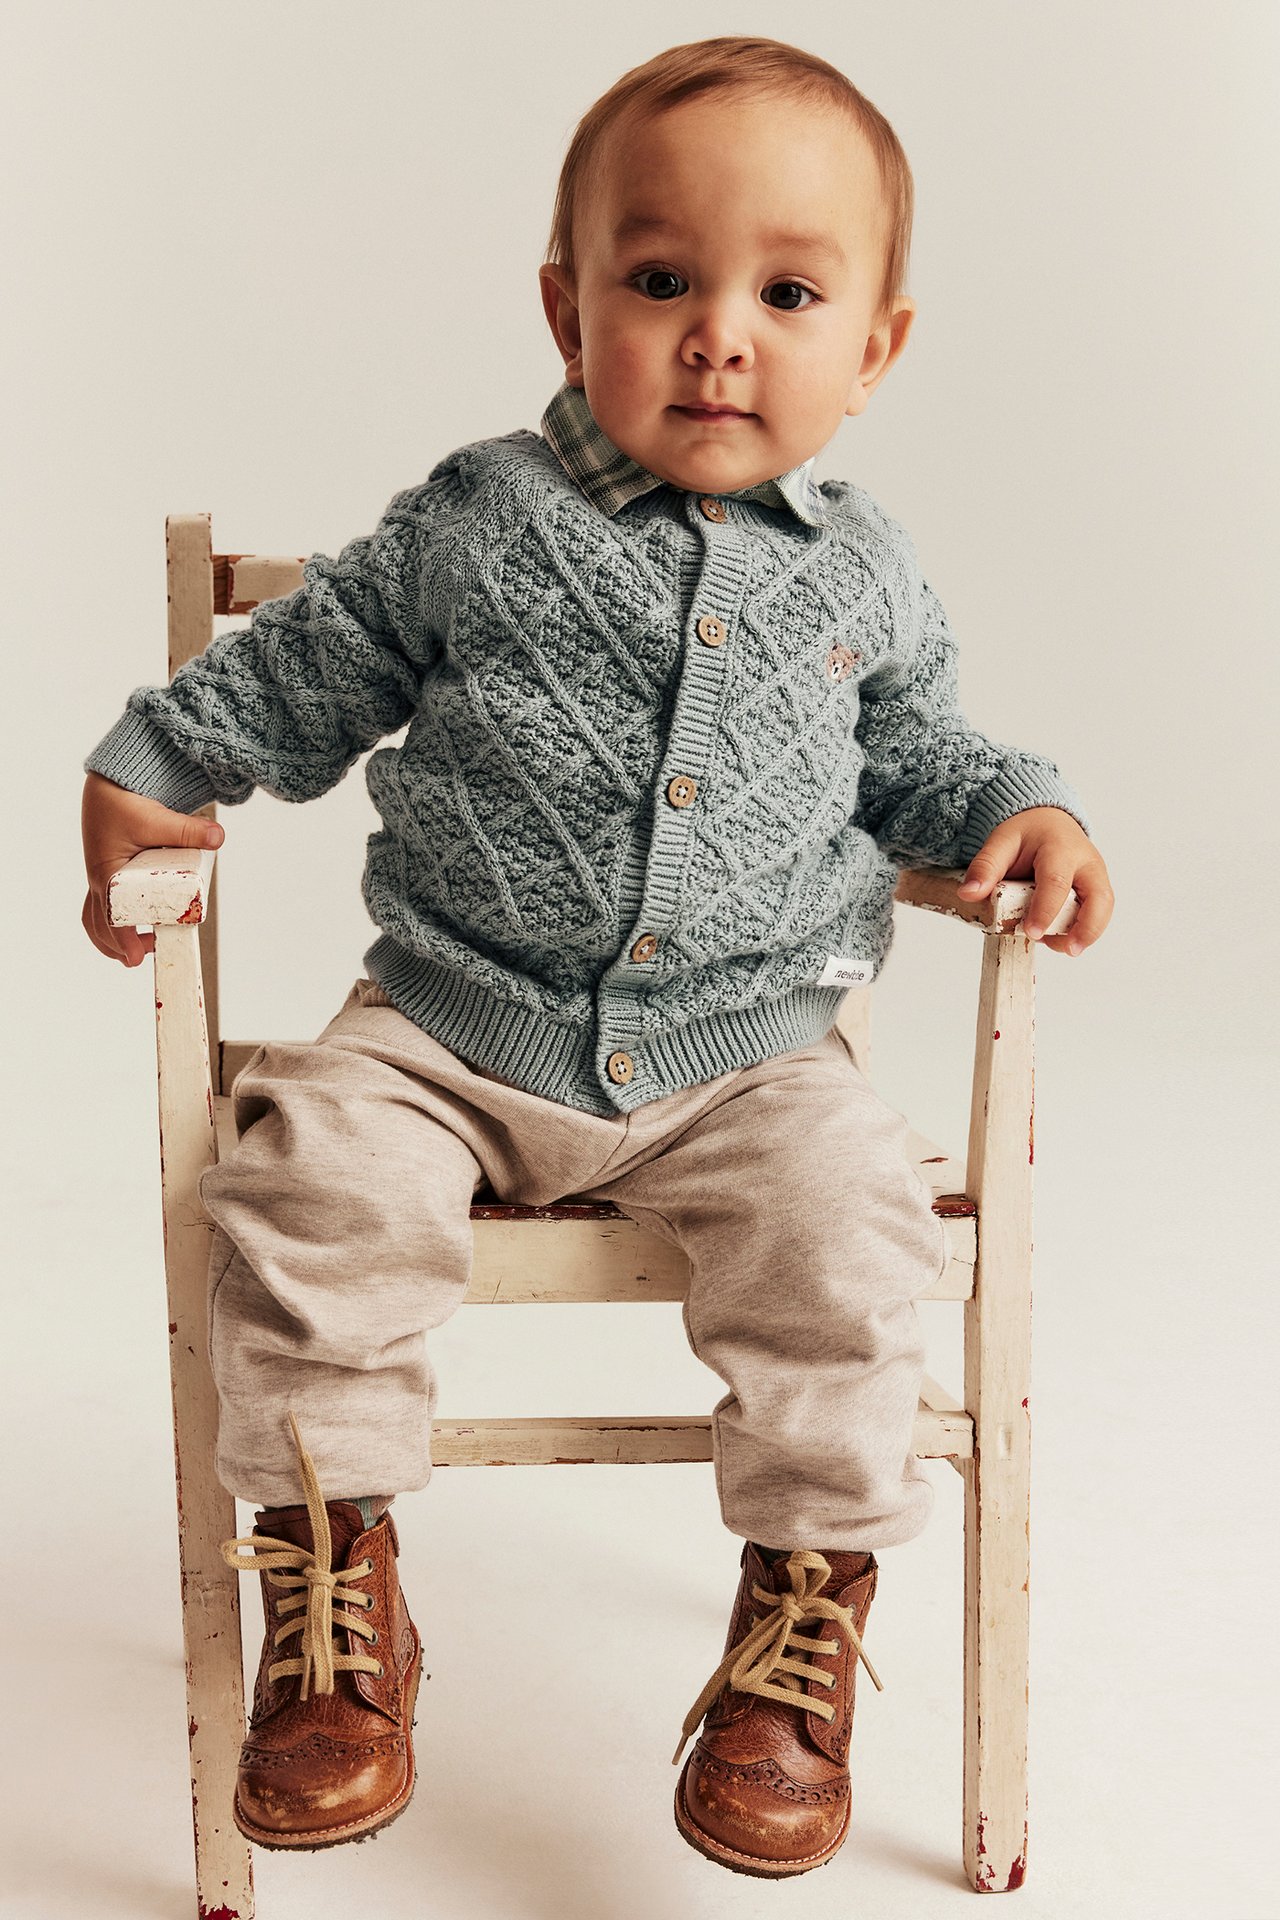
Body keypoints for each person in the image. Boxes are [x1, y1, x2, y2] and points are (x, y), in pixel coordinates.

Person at [79, 34, 1113, 1880]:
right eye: (661, 281)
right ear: (568, 310)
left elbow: (926, 758)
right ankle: (335, 1588)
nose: (720, 331)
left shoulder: (866, 572)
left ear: (873, 348)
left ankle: (801, 1614)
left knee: (851, 1234)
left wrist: (1020, 810)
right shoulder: (477, 523)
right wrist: (153, 769)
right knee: (308, 1178)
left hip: (751, 1058)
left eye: (787, 293)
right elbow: (292, 679)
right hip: (450, 1026)